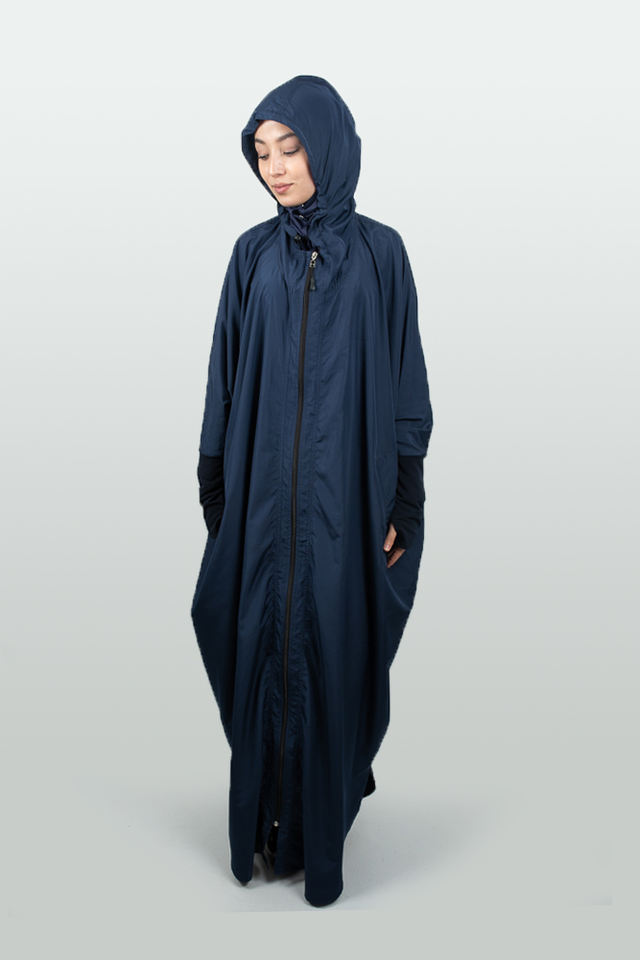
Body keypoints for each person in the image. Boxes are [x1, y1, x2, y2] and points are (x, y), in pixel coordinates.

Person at [191, 75, 434, 908]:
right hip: (260, 506)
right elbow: (224, 375)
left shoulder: (382, 254)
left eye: (290, 148)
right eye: (262, 152)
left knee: (334, 647)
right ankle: (263, 822)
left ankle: (315, 829)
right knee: (253, 641)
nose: (276, 168)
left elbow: (405, 377)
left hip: (343, 505)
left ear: (328, 145)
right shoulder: (251, 255)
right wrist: (214, 484)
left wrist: (406, 494)